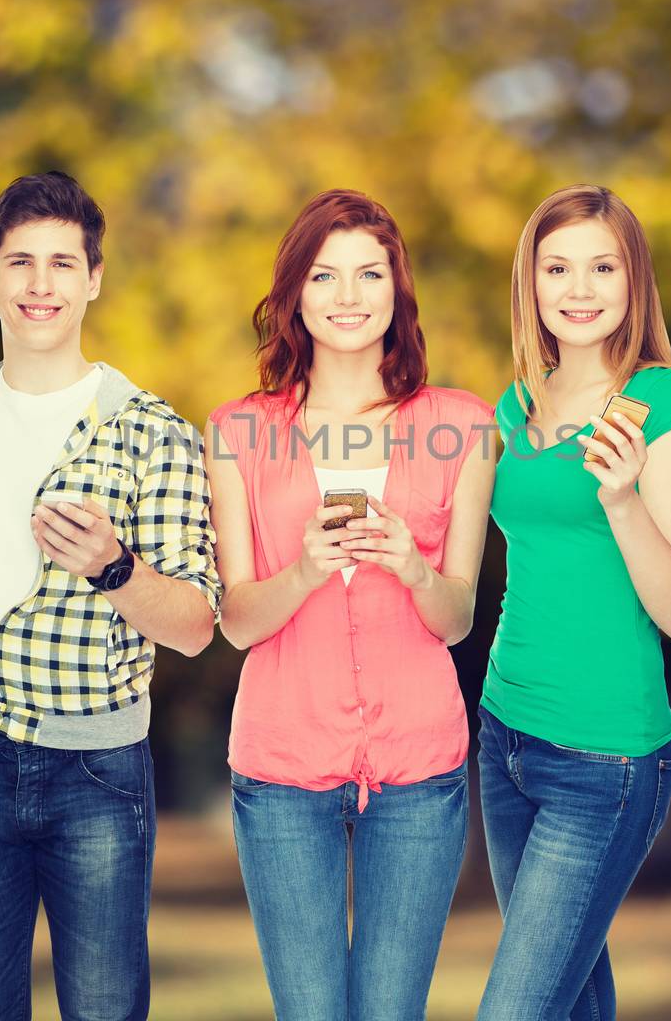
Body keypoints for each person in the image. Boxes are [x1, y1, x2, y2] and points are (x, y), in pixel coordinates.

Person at [0, 171, 219, 1021]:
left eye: (63, 264)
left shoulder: (152, 432)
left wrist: (115, 567)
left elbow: (194, 627)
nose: (41, 285)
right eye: (22, 262)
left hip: (96, 775)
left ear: (94, 279)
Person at [205, 189, 494, 1020]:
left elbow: (457, 618)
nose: (348, 296)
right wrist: (301, 572)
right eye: (325, 276)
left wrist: (412, 566)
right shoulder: (236, 432)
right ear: (295, 293)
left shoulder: (464, 428)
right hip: (282, 764)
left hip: (420, 765)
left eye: (370, 274)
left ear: (397, 290)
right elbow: (236, 620)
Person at [477, 185, 671, 1019]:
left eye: (602, 266)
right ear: (531, 283)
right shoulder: (517, 404)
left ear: (634, 279)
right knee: (571, 1000)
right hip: (504, 735)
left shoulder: (664, 404)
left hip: (605, 758)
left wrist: (621, 499)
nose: (579, 288)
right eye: (558, 267)